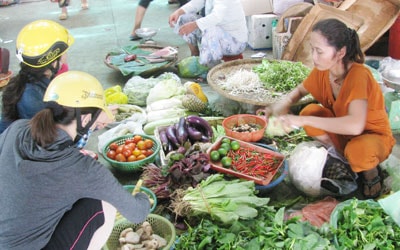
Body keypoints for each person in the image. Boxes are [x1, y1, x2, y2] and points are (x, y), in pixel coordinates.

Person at [0, 71, 151, 249]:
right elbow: (137, 213)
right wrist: (144, 198)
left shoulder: (16, 129)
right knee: (103, 204)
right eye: (93, 120)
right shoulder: (83, 169)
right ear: (86, 118)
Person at [261, 18, 395, 199]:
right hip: (344, 134)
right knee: (310, 111)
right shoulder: (324, 70)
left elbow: (355, 126)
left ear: (340, 52)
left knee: (358, 151)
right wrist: (279, 106)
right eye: (312, 49)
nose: (313, 57)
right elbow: (300, 90)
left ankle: (372, 175)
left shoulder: (358, 76)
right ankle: (342, 157)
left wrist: (300, 120)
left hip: (371, 136)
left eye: (319, 51)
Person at [0, 20, 74, 134]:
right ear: (53, 62)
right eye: (64, 53)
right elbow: (47, 143)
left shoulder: (29, 81)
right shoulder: (32, 98)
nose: (66, 56)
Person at [168, 0, 248, 68]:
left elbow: (217, 17)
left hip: (235, 42)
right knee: (185, 18)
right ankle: (195, 55)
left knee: (209, 28)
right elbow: (197, 2)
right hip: (216, 35)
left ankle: (209, 67)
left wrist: (194, 25)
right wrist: (179, 11)